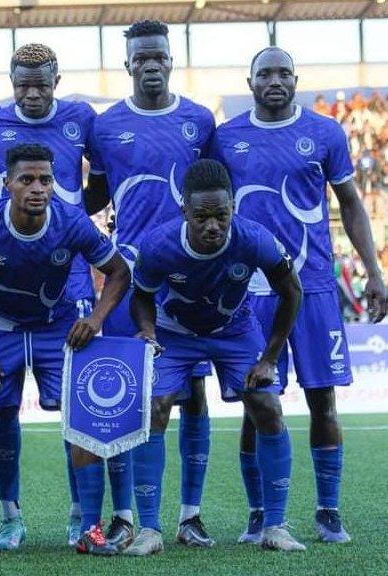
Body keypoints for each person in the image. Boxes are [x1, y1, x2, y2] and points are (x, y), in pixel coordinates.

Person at [209, 47, 388, 544]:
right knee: (256, 403)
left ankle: (328, 510)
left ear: (296, 80)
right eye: (265, 73)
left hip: (312, 287)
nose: (274, 80)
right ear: (249, 83)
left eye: (283, 72)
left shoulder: (326, 133)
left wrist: (373, 273)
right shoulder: (226, 138)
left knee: (323, 401)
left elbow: (350, 205)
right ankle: (259, 511)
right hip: (248, 293)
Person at [0, 143, 130, 559]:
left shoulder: (72, 223)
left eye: (45, 180)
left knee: (84, 422)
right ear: (6, 185)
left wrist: (96, 318)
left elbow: (119, 271)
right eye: (26, 180)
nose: (37, 188)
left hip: (57, 329)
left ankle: (89, 528)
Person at [84, 19, 216, 550]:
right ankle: (124, 514)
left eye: (159, 55)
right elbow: (92, 195)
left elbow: (215, 199)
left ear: (170, 59)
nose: (151, 64)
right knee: (124, 394)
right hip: (130, 274)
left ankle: (191, 513)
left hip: (191, 278)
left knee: (195, 394)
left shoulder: (200, 121)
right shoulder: (104, 126)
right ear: (128, 64)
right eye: (141, 58)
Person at [129, 158, 306, 553]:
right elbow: (140, 296)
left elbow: (292, 290)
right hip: (174, 334)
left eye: (221, 216)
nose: (213, 226)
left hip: (234, 331)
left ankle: (275, 526)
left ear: (233, 210)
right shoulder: (159, 246)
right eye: (202, 217)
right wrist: (147, 331)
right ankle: (150, 530)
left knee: (267, 405)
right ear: (185, 212)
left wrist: (269, 359)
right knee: (155, 407)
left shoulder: (254, 239)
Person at [0, 42, 98, 550]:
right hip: (3, 286)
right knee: (1, 409)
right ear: (9, 79)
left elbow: (104, 185)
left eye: (40, 83)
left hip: (66, 283)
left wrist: (61, 226)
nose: (31, 92)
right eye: (21, 83)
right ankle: (9, 518)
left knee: (75, 408)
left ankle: (79, 517)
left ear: (57, 79)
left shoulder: (82, 118)